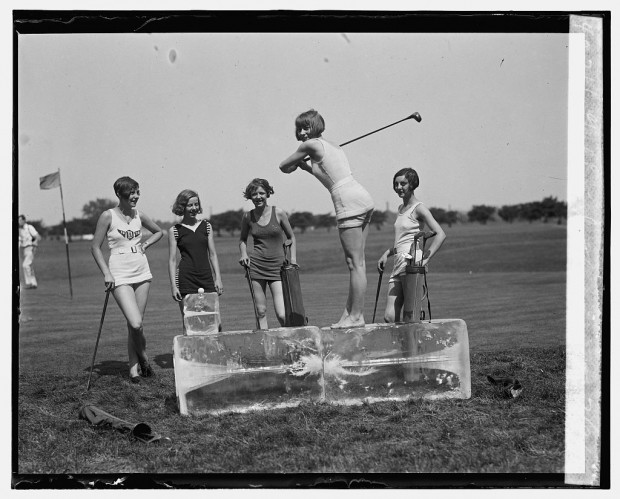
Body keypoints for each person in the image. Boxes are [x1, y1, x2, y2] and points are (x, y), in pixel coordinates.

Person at [279, 109, 374, 328]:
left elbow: (283, 166)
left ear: (316, 127)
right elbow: (327, 174)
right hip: (362, 197)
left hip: (347, 201)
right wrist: (305, 166)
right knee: (358, 263)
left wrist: (296, 162)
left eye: (306, 127)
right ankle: (349, 314)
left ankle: (357, 317)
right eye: (299, 128)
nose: (302, 132)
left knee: (354, 264)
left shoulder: (309, 146)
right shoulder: (333, 146)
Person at [91, 176, 163, 384]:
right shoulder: (108, 216)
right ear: (119, 194)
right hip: (119, 273)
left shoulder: (140, 215)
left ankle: (134, 370)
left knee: (135, 327)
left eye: (137, 192)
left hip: (142, 270)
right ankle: (145, 359)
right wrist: (106, 273)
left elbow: (159, 232)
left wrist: (146, 244)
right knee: (135, 322)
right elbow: (95, 247)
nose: (135, 196)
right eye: (131, 193)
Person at [377, 168, 446, 323]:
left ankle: (413, 347)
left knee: (411, 316)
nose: (398, 187)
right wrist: (386, 253)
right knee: (389, 317)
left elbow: (440, 234)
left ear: (413, 184)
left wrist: (425, 258)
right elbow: (402, 241)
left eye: (403, 183)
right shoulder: (400, 209)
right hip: (397, 266)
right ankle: (402, 347)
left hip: (411, 266)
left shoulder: (419, 208)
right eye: (396, 184)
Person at [239, 178, 297, 330]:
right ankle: (265, 350)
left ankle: (290, 345)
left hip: (278, 268)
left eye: (261, 193)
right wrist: (243, 254)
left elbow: (291, 237)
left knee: (283, 314)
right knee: (261, 311)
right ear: (249, 196)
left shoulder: (278, 213)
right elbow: (242, 240)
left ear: (268, 193)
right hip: (256, 267)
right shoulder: (247, 217)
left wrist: (293, 259)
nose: (258, 197)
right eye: (254, 194)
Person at [168, 189, 223, 329]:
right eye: (189, 205)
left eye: (196, 204)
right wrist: (174, 286)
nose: (194, 208)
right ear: (182, 207)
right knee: (190, 322)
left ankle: (212, 351)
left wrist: (218, 278)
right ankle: (189, 351)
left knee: (214, 321)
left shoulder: (207, 226)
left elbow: (213, 254)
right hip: (186, 279)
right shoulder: (175, 230)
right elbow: (172, 260)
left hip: (206, 277)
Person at [18, 214, 41, 289]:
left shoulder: (29, 227)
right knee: (29, 266)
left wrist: (35, 243)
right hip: (24, 249)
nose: (19, 222)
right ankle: (33, 283)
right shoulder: (19, 229)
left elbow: (38, 237)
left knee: (25, 265)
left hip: (30, 248)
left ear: (24, 220)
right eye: (18, 220)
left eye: (20, 220)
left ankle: (30, 282)